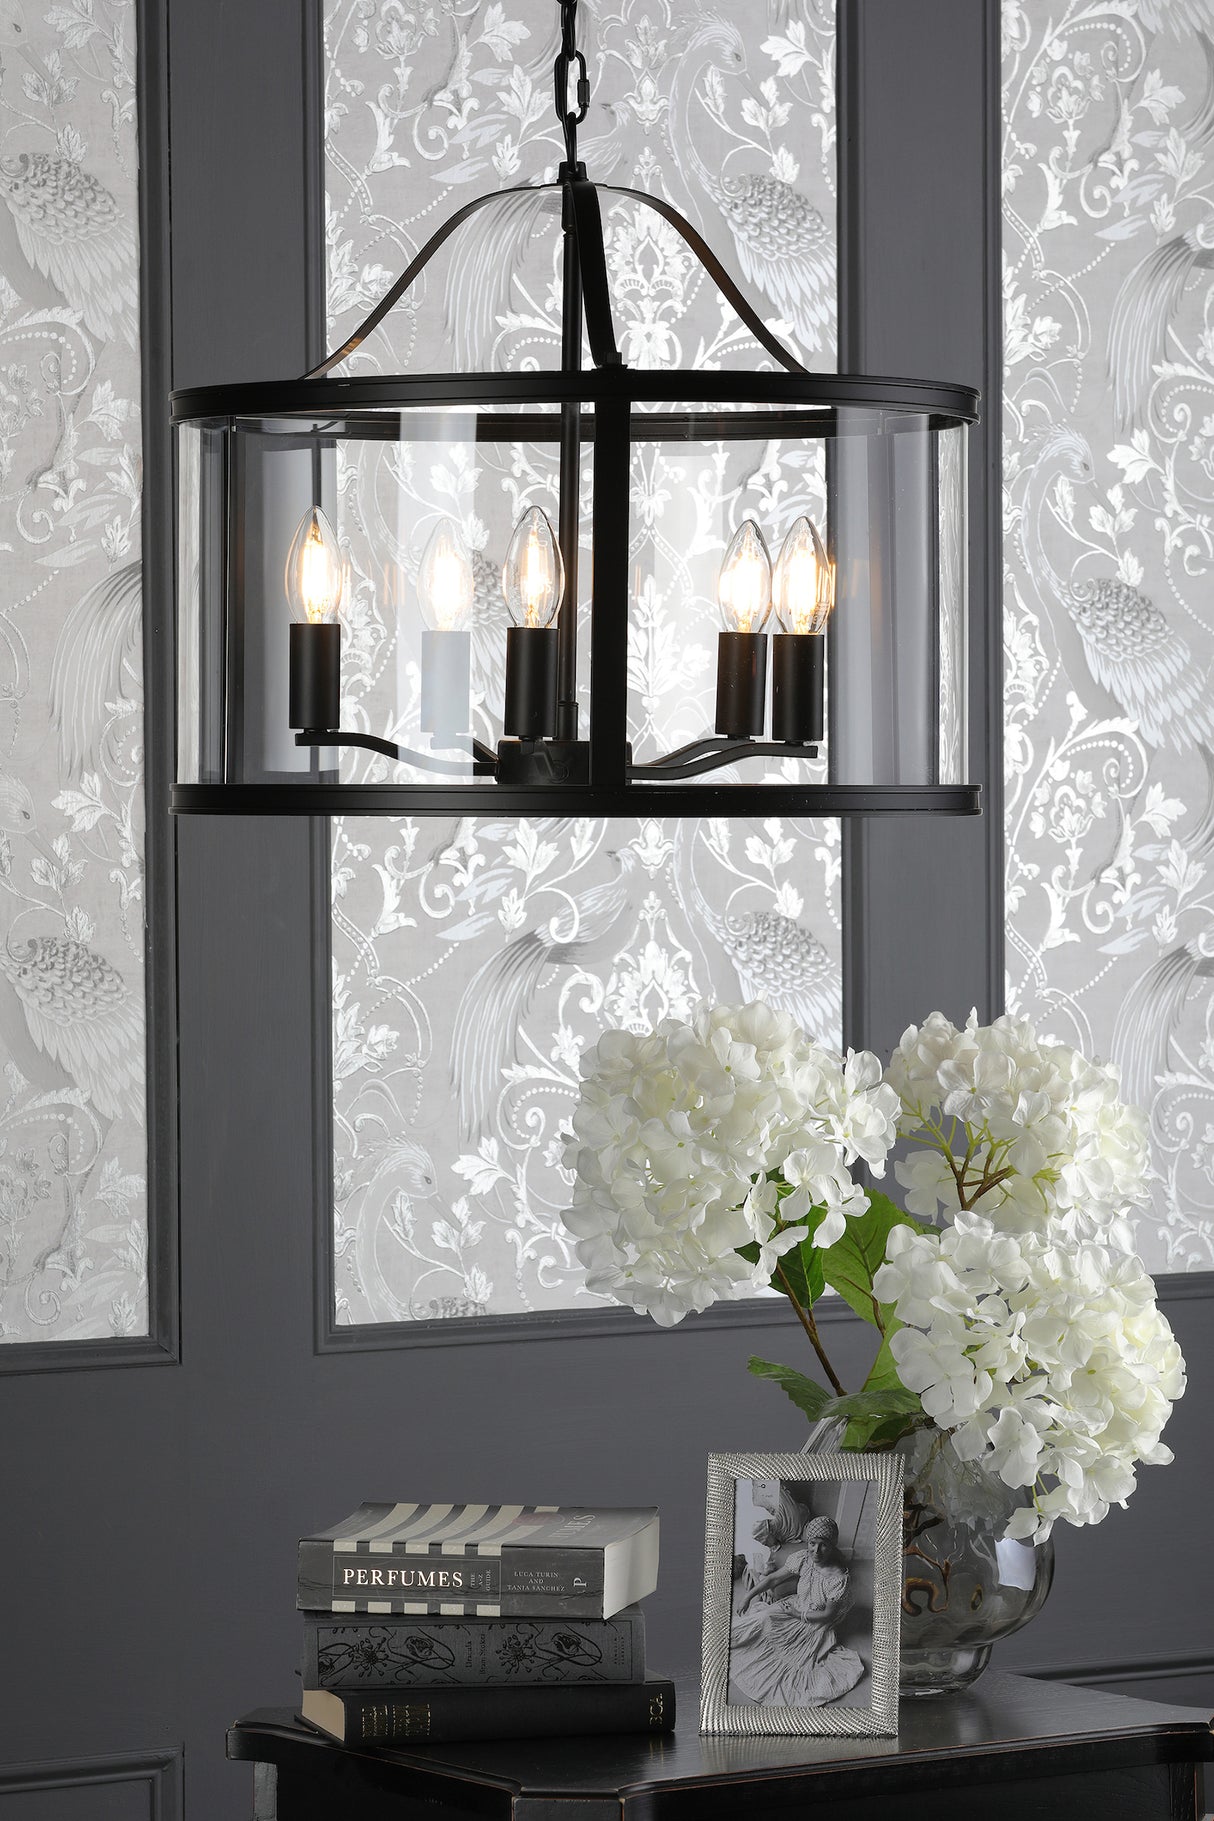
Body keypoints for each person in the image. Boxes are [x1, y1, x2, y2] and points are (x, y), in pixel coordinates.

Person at [729, 1512, 864, 1707]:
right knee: (763, 1618)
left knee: (789, 1653)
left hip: (814, 1622)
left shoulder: (837, 1579)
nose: (816, 1551)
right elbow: (773, 1579)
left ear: (832, 1546)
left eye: (823, 1545)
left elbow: (828, 1615)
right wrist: (747, 1597)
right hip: (796, 1605)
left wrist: (796, 1614)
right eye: (812, 1543)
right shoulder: (803, 1559)